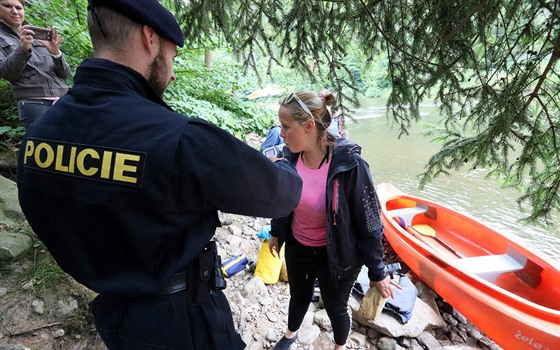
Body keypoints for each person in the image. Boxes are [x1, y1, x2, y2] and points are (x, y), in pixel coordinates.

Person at [17, 1, 302, 349]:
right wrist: (286, 161)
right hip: (184, 322)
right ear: (150, 38)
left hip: (112, 317)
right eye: (172, 57)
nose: (172, 73)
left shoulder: (38, 136)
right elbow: (280, 196)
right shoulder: (183, 139)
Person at [268, 91, 400, 350]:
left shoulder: (350, 164)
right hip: (298, 245)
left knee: (336, 307)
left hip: (338, 253)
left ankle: (339, 347)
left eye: (285, 127)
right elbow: (282, 200)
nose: (280, 133)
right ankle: (290, 334)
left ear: (308, 126)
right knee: (298, 297)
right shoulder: (290, 156)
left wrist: (377, 271)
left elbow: (370, 221)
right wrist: (276, 232)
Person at [0, 0, 71, 128]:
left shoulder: (38, 34)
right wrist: (23, 49)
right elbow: (7, 73)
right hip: (34, 102)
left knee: (72, 144)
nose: (15, 11)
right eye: (7, 6)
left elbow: (65, 75)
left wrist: (56, 53)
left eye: (18, 7)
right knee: (45, 145)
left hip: (64, 100)